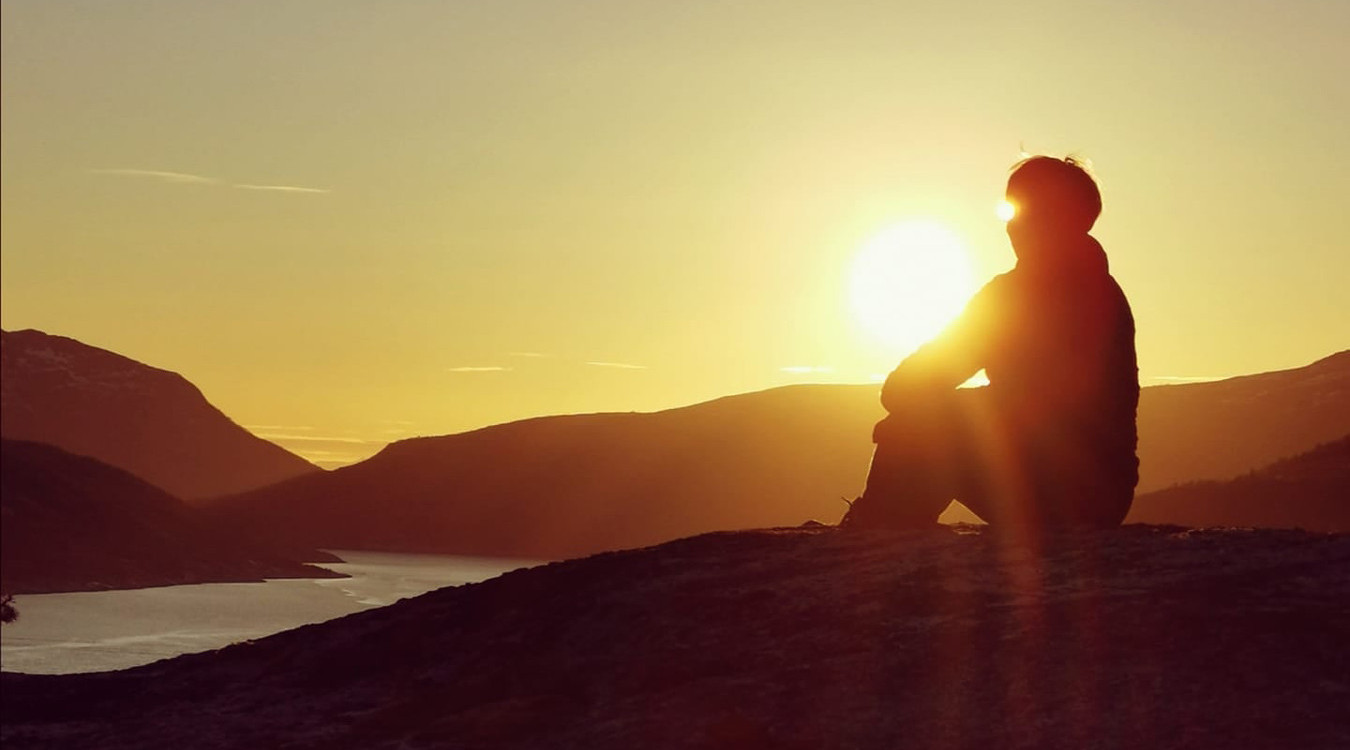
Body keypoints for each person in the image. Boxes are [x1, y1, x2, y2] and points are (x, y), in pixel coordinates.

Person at [842, 156, 1138, 532]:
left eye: (1022, 210)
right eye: (1009, 210)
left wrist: (915, 419)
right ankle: (884, 527)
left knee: (918, 425)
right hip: (1102, 497)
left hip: (1061, 492)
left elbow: (911, 383)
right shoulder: (1106, 293)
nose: (1012, 225)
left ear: (1060, 217)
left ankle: (877, 532)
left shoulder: (1014, 297)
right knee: (924, 420)